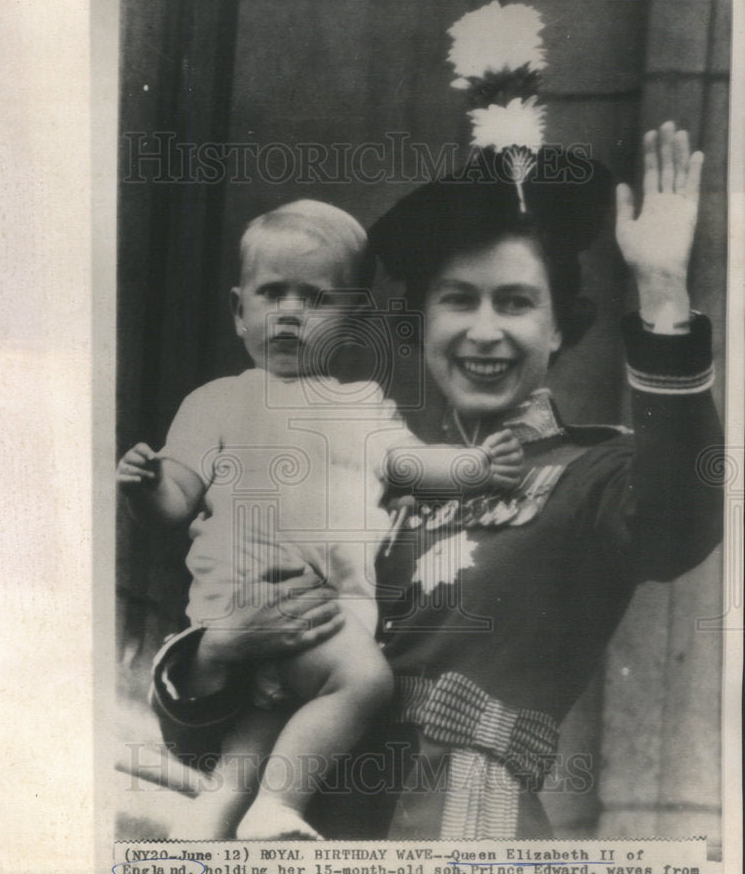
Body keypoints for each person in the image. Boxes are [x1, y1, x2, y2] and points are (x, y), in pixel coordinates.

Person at [150, 124, 723, 839]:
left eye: (514, 302)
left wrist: (663, 291)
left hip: (463, 839)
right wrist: (218, 650)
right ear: (420, 322)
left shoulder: (591, 473)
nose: (483, 331)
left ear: (558, 327)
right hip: (296, 843)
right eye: (458, 300)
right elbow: (204, 738)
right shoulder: (364, 478)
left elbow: (678, 519)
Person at [118, 199, 524, 839]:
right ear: (239, 310)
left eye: (315, 299)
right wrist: (145, 487)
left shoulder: (364, 408)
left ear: (353, 321)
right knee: (363, 681)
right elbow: (174, 501)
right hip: (244, 603)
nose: (289, 312)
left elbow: (416, 463)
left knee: (268, 720)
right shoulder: (218, 403)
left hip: (322, 612)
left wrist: (476, 467)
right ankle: (278, 806)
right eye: (272, 292)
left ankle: (215, 812)